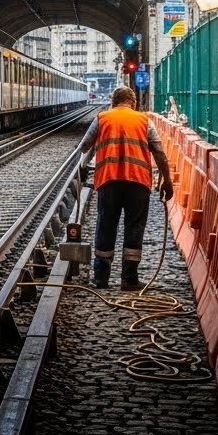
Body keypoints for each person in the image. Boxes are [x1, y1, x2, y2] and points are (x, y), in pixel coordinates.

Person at [79, 86, 174, 290]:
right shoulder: (144, 121)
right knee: (134, 229)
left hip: (108, 181)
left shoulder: (102, 118)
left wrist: (84, 167)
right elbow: (159, 153)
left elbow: (85, 146)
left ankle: (101, 279)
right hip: (138, 183)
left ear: (114, 101)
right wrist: (167, 180)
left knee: (105, 226)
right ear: (133, 102)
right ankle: (129, 279)